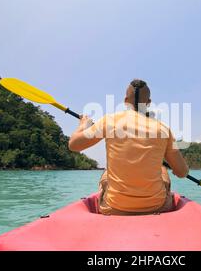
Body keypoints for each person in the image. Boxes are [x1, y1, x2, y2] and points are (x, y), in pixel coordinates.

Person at [69, 79, 189, 215]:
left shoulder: (109, 121)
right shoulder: (163, 129)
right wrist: (173, 167)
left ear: (125, 101)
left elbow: (73, 145)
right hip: (157, 206)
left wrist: (83, 124)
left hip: (114, 208)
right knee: (162, 170)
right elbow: (182, 172)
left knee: (107, 172)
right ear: (148, 103)